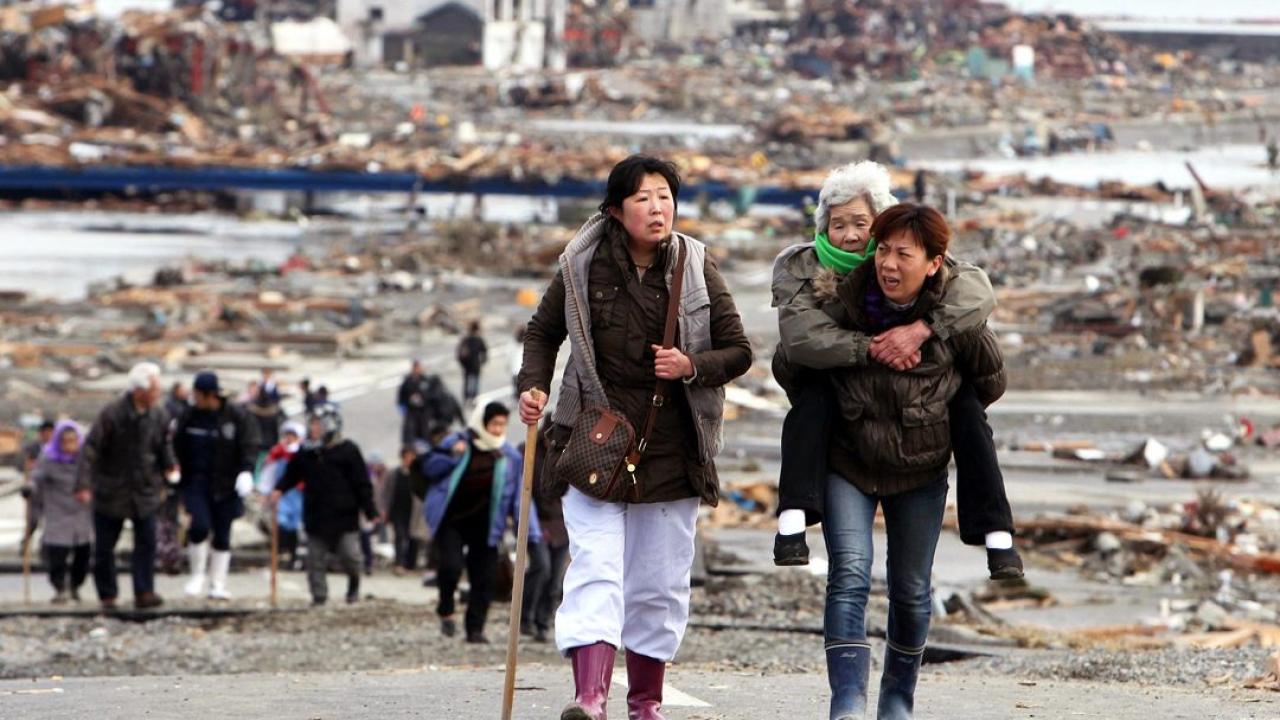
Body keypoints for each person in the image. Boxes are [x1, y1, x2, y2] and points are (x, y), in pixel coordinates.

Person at [518, 155, 753, 720]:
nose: (658, 207)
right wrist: (533, 387)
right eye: (644, 197)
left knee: (659, 582)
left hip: (672, 449)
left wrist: (690, 364)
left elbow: (739, 351)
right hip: (593, 441)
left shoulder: (696, 266)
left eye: (665, 196)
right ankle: (590, 697)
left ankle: (645, 702)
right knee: (595, 567)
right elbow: (542, 331)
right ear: (617, 210)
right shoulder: (581, 266)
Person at [770, 161, 1022, 581]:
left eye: (861, 224)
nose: (849, 235)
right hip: (847, 432)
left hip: (919, 433)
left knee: (967, 410)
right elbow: (799, 338)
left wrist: (923, 329)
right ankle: (792, 521)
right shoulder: (802, 266)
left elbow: (975, 287)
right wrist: (872, 347)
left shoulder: (912, 265)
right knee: (812, 402)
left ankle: (997, 535)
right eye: (837, 224)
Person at [817, 203, 1006, 719]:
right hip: (848, 462)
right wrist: (863, 350)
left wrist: (934, 338)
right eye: (882, 250)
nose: (888, 263)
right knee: (850, 574)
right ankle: (847, 704)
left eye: (904, 253)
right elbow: (793, 361)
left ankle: (897, 700)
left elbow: (990, 383)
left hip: (920, 469)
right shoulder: (843, 298)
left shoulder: (954, 313)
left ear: (934, 263)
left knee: (911, 590)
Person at [423, 402, 540, 644]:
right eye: (494, 424)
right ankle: (446, 608)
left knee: (484, 579)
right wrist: (452, 455)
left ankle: (474, 629)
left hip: (487, 526)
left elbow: (519, 496)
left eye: (502, 424)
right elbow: (429, 468)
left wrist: (531, 533)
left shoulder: (509, 456)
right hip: (453, 520)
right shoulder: (458, 442)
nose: (498, 430)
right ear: (482, 422)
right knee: (450, 568)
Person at [77, 362, 175, 610]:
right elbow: (91, 449)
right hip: (112, 489)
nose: (157, 395)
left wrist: (170, 466)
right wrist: (83, 484)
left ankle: (144, 591)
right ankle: (107, 594)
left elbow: (163, 445)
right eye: (154, 390)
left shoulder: (158, 414)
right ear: (139, 391)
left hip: (144, 490)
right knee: (104, 547)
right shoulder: (112, 414)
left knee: (147, 541)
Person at [273, 403, 378, 606]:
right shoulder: (306, 452)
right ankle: (319, 596)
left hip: (344, 516)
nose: (313, 428)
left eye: (317, 423)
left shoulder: (348, 450)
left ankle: (353, 583)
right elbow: (292, 474)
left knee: (350, 556)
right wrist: (279, 489)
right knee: (315, 559)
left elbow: (361, 483)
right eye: (312, 423)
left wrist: (370, 509)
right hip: (316, 515)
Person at [172, 371, 259, 600]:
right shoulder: (189, 417)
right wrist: (174, 469)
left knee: (222, 533)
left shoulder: (235, 417)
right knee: (199, 526)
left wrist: (247, 471)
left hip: (227, 484)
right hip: (196, 482)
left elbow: (250, 444)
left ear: (210, 395)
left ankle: (218, 583)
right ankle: (197, 575)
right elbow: (176, 444)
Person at [29, 420, 93, 604]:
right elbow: (37, 478)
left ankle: (75, 585)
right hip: (58, 511)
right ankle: (59, 586)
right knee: (57, 555)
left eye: (73, 441)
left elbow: (95, 478)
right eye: (65, 441)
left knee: (83, 554)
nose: (70, 446)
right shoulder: (48, 459)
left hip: (82, 512)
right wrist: (30, 489)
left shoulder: (85, 460)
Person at [520, 418, 568, 644]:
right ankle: (526, 617)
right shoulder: (529, 452)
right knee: (541, 568)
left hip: (564, 524)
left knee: (555, 579)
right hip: (537, 522)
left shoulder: (569, 452)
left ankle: (543, 623)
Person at [259, 421, 306, 570]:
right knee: (280, 523)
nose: (290, 438)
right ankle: (281, 552)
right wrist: (266, 492)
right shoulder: (277, 452)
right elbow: (268, 474)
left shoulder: (304, 453)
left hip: (298, 494)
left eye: (293, 435)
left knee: (294, 526)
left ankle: (292, 555)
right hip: (281, 494)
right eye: (288, 435)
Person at [382, 444, 428, 575]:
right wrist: (385, 509)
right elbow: (387, 492)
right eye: (407, 457)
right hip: (397, 510)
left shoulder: (420, 473)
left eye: (412, 456)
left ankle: (410, 565)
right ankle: (399, 563)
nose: (409, 459)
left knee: (413, 537)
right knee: (399, 536)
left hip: (414, 512)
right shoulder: (394, 474)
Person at [456, 320, 488, 404]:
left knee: (467, 381)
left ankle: (467, 398)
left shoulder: (465, 339)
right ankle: (474, 397)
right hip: (475, 364)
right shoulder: (478, 339)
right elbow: (484, 351)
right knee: (475, 381)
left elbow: (459, 352)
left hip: (466, 365)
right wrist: (483, 361)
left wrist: (462, 363)